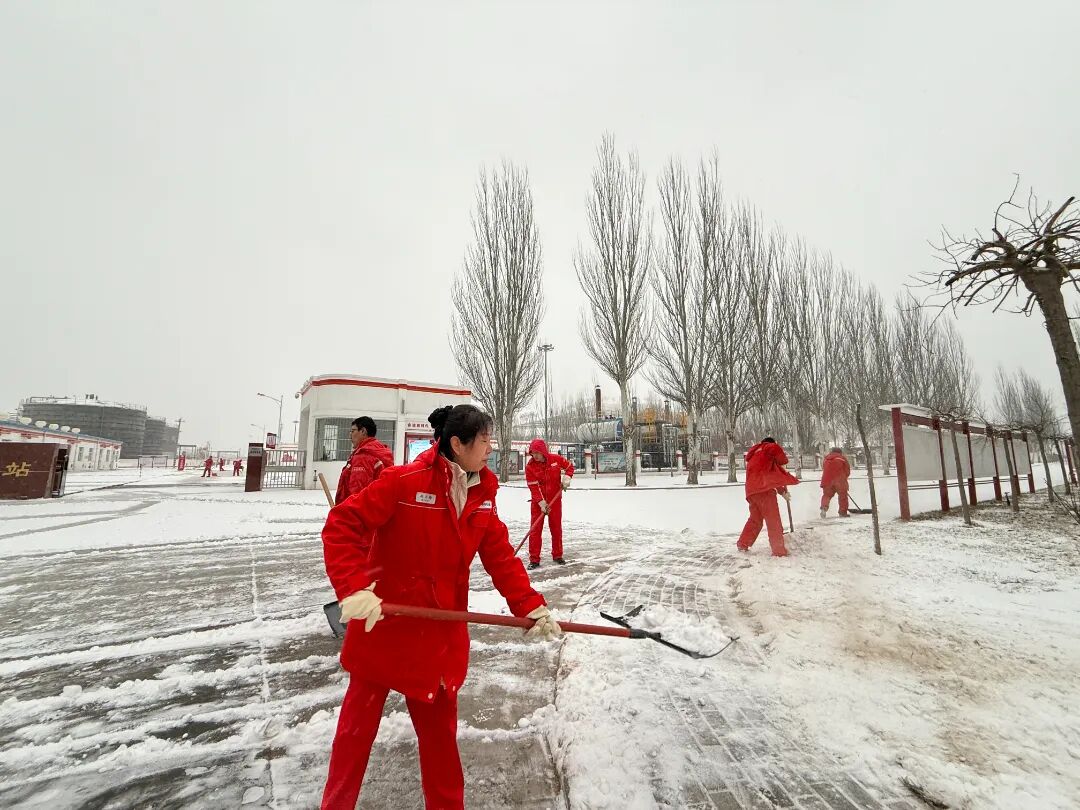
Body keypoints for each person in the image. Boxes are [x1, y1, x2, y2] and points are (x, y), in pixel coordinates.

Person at [320, 404, 559, 809]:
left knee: (441, 744)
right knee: (354, 737)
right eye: (484, 441)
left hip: (436, 638)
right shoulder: (404, 482)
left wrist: (530, 605)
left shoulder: (482, 493)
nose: (490, 449)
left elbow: (499, 555)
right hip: (385, 622)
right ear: (457, 444)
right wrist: (354, 588)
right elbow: (342, 524)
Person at [737, 437, 799, 557]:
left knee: (755, 519)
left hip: (751, 492)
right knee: (773, 520)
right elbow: (781, 460)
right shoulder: (769, 448)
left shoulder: (755, 455)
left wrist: (782, 492)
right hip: (764, 491)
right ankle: (779, 551)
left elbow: (770, 475)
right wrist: (781, 462)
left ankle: (743, 543)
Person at [524, 438, 574, 569]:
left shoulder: (555, 460)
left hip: (555, 501)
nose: (534, 456)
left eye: (536, 453)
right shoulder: (530, 467)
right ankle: (534, 559)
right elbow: (533, 487)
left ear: (543, 452)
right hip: (538, 503)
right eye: (532, 453)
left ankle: (557, 555)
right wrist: (541, 503)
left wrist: (567, 477)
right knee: (535, 531)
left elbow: (569, 466)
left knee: (556, 528)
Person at [335, 416, 395, 505]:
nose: (350, 435)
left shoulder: (363, 457)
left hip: (360, 514)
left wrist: (348, 514)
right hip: (376, 510)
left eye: (353, 431)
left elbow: (357, 494)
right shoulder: (379, 451)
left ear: (363, 431)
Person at [820, 446, 851, 518]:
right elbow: (847, 471)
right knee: (843, 496)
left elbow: (824, 468)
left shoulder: (826, 459)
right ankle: (842, 513)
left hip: (827, 480)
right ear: (840, 452)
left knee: (827, 495)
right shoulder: (842, 458)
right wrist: (844, 478)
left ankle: (824, 508)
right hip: (839, 480)